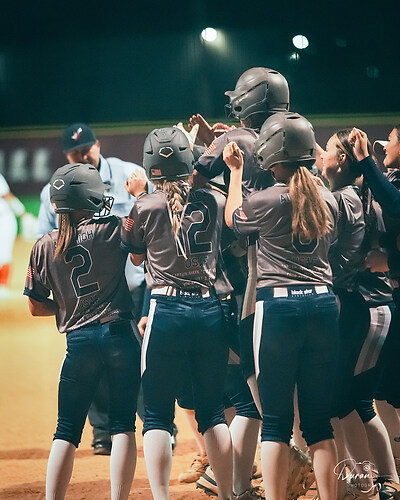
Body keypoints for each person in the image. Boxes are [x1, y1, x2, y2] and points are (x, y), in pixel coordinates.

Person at [224, 112, 340, 500]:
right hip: (324, 304)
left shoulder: (264, 200)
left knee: (274, 424)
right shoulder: (327, 197)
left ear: (272, 152)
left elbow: (232, 219)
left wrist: (236, 173)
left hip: (278, 309)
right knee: (319, 425)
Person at [122, 127, 233, 500]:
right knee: (213, 412)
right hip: (209, 308)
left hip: (166, 309)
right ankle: (229, 493)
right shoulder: (215, 199)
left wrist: (141, 196)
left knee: (156, 415)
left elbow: (135, 258)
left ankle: (161, 497)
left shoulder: (145, 205)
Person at [24, 163, 141, 500]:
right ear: (90, 196)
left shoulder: (44, 245)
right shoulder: (111, 228)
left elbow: (35, 306)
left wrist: (67, 307)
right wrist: (138, 196)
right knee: (123, 425)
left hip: (78, 342)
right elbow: (138, 250)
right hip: (119, 335)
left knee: (66, 431)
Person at [37, 122, 149, 455]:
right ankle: (104, 431)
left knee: (136, 358)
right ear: (66, 154)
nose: (83, 155)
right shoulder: (112, 215)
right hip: (90, 297)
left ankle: (155, 422)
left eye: (86, 148)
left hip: (130, 286)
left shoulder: (128, 171)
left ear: (97, 145)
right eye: (75, 152)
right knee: (115, 361)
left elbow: (45, 245)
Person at [320, 129, 399, 498]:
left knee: (349, 402)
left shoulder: (343, 199)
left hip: (369, 306)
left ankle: (368, 482)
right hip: (366, 305)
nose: (321, 155)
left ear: (342, 161)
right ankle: (377, 479)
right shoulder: (360, 193)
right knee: (357, 402)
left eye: (328, 150)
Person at [0, 173, 37, 297]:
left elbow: (7, 196)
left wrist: (21, 212)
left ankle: (3, 285)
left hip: (4, 220)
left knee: (4, 254)